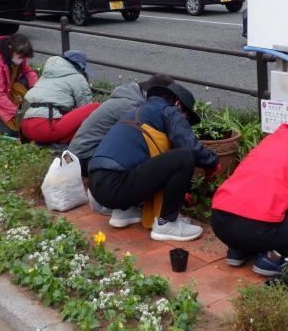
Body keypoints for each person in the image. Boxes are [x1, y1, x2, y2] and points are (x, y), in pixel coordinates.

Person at [87, 83, 220, 240]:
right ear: (178, 104)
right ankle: (167, 223)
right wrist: (212, 161)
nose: (186, 122)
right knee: (184, 156)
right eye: (186, 117)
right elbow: (188, 145)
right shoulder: (169, 110)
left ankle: (125, 212)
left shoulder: (139, 111)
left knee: (143, 156)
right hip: (117, 184)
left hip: (96, 183)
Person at [211, 122, 288, 277]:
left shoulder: (269, 140)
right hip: (256, 229)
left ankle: (238, 250)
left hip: (219, 222)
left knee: (257, 202)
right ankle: (275, 256)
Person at [68, 73, 174, 177]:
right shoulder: (132, 107)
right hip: (82, 158)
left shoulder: (128, 97)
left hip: (76, 154)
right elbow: (146, 139)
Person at [21, 50, 100, 144]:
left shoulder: (45, 75)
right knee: (94, 107)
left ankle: (57, 140)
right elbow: (86, 108)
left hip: (25, 128)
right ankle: (62, 141)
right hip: (45, 127)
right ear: (79, 66)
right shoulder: (77, 77)